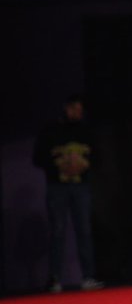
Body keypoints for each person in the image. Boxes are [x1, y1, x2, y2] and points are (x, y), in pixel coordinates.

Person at [33, 96, 105, 292]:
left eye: (80, 109)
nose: (77, 112)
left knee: (84, 230)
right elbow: (38, 158)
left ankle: (88, 276)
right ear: (66, 108)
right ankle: (55, 277)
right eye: (74, 108)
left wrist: (82, 165)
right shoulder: (51, 131)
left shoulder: (86, 131)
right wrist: (61, 166)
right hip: (57, 187)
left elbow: (97, 156)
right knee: (57, 231)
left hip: (81, 186)